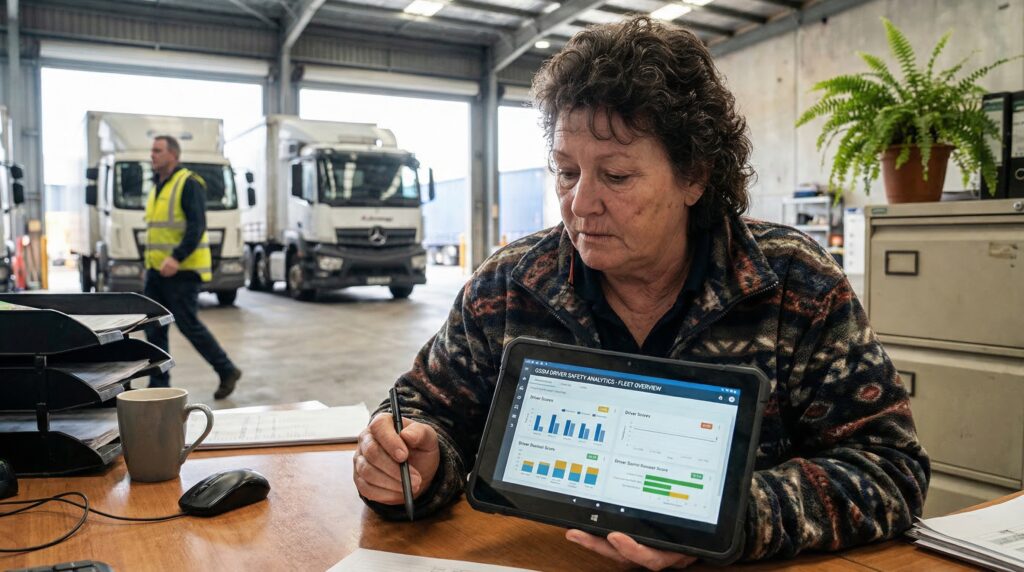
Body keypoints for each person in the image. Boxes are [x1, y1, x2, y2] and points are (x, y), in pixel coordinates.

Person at [353, 16, 928, 570]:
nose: (580, 204)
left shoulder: (791, 285)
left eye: (617, 176)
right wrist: (411, 464)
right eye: (566, 171)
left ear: (694, 175)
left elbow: (890, 469)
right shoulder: (508, 285)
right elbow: (428, 414)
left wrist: (724, 523)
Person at [143, 135, 242, 400]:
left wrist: (176, 257)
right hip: (156, 271)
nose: (151, 155)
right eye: (152, 150)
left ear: (173, 155)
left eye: (157, 150)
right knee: (153, 327)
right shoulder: (157, 186)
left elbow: (196, 226)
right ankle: (158, 385)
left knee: (188, 325)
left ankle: (226, 369)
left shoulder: (188, 183)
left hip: (182, 271)